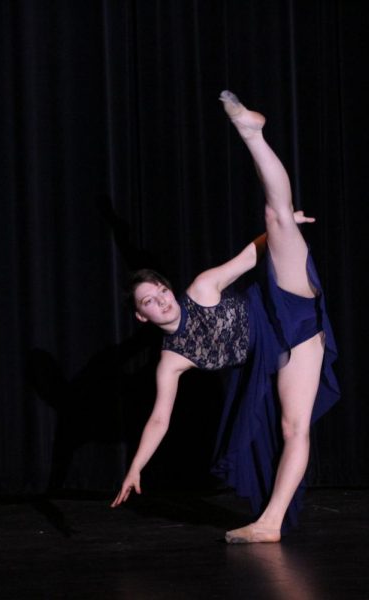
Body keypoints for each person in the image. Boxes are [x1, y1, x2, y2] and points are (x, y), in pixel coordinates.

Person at [111, 91, 339, 543]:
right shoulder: (172, 360)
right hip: (283, 349)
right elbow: (159, 419)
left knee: (275, 214)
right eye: (150, 302)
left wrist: (283, 230)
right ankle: (269, 524)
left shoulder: (200, 288)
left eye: (160, 290)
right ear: (141, 318)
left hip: (282, 304)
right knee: (293, 427)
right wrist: (135, 467)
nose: (162, 300)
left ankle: (251, 133)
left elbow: (248, 257)